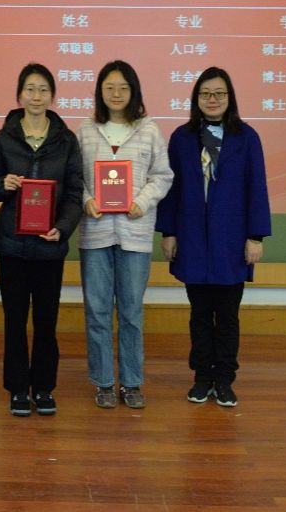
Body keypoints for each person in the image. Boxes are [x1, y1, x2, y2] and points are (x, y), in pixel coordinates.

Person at [157, 67, 270, 408]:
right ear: (196, 98)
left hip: (231, 241)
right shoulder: (182, 138)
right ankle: (201, 377)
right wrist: (169, 232)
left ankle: (224, 379)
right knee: (200, 315)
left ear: (229, 97)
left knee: (228, 316)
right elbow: (171, 188)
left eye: (219, 93)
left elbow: (257, 188)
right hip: (192, 239)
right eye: (205, 93)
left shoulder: (246, 137)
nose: (212, 99)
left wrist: (255, 236)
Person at [0, 63, 83, 417]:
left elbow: (74, 193)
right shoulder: (3, 138)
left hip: (49, 245)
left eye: (43, 90)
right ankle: (16, 388)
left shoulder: (66, 140)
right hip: (12, 244)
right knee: (14, 321)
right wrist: (3, 184)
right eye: (30, 89)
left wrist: (63, 228)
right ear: (19, 95)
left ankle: (43, 387)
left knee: (46, 321)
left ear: (52, 96)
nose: (36, 96)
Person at [77, 60, 173, 409]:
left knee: (131, 312)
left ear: (134, 91)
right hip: (95, 233)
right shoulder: (85, 130)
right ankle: (103, 382)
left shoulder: (149, 129)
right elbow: (74, 177)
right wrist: (86, 200)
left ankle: (131, 382)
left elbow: (162, 175)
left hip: (135, 233)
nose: (116, 94)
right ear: (100, 92)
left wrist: (142, 202)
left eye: (123, 87)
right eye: (109, 87)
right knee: (97, 311)